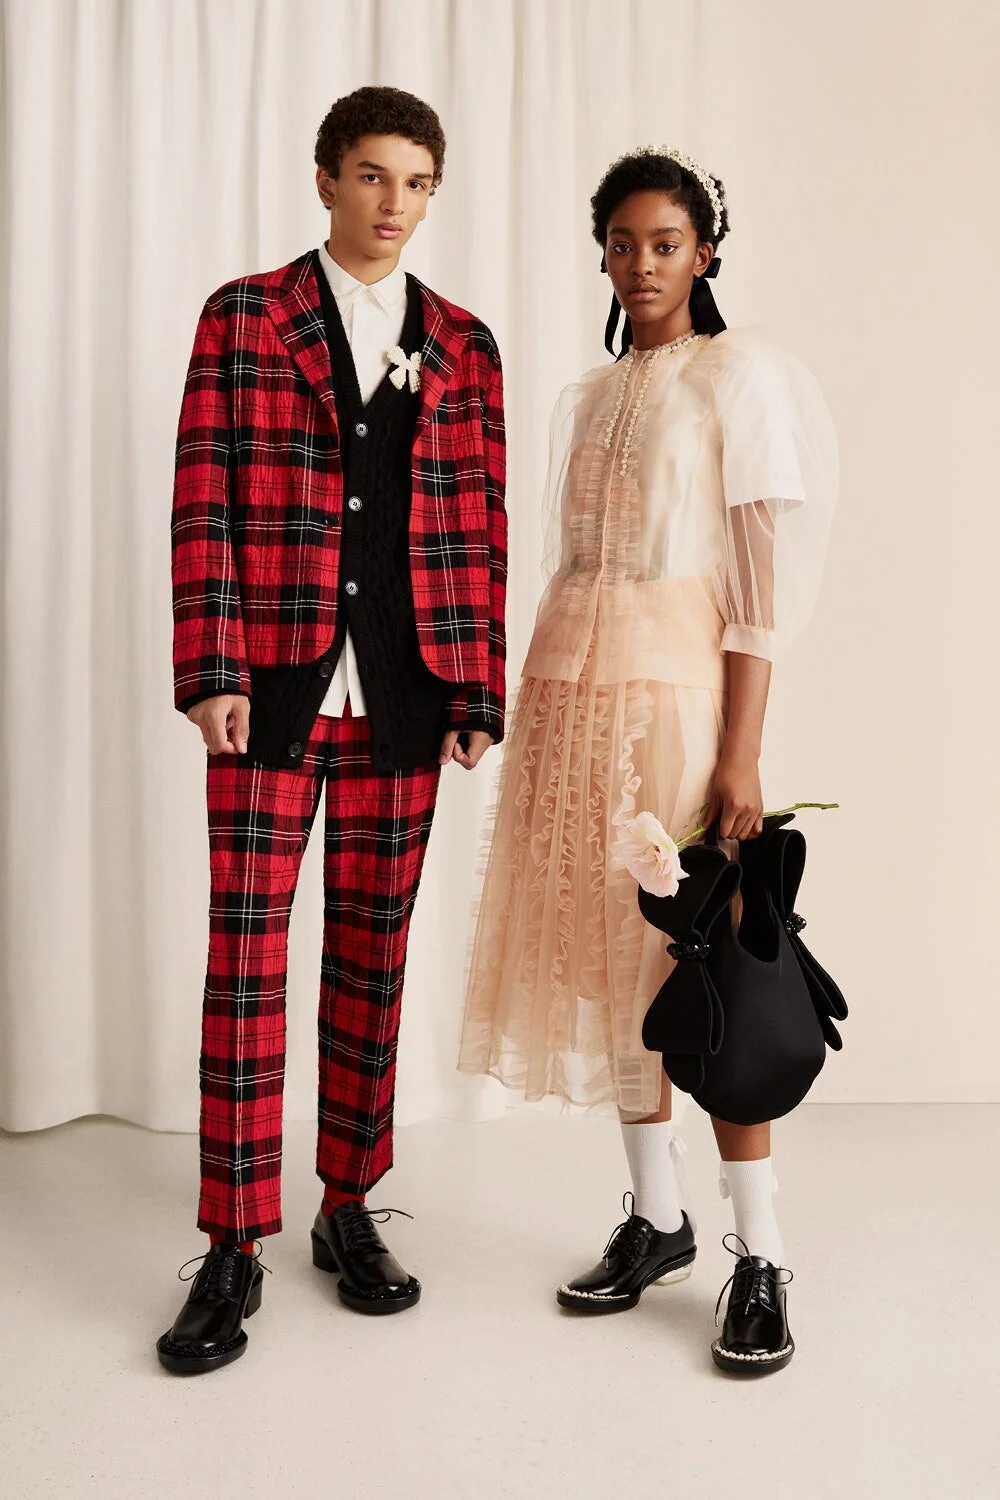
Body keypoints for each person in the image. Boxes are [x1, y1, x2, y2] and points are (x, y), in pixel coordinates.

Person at [459, 146, 836, 1373]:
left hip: (675, 700)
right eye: (621, 245)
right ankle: (656, 1217)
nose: (640, 265)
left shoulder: (739, 378)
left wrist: (741, 753)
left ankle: (760, 1255)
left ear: (704, 251)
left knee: (705, 964)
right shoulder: (591, 392)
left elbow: (758, 593)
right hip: (570, 698)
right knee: (615, 968)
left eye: (664, 244)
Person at [158, 85, 507, 1374]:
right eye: (371, 176)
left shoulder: (463, 343)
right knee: (246, 964)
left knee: (373, 961)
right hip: (269, 689)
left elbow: (481, 521)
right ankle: (232, 1242)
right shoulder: (244, 317)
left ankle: (345, 1205)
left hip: (407, 694)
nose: (393, 204)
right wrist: (211, 669)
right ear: (325, 180)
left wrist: (477, 689)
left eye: (416, 183)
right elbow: (202, 501)